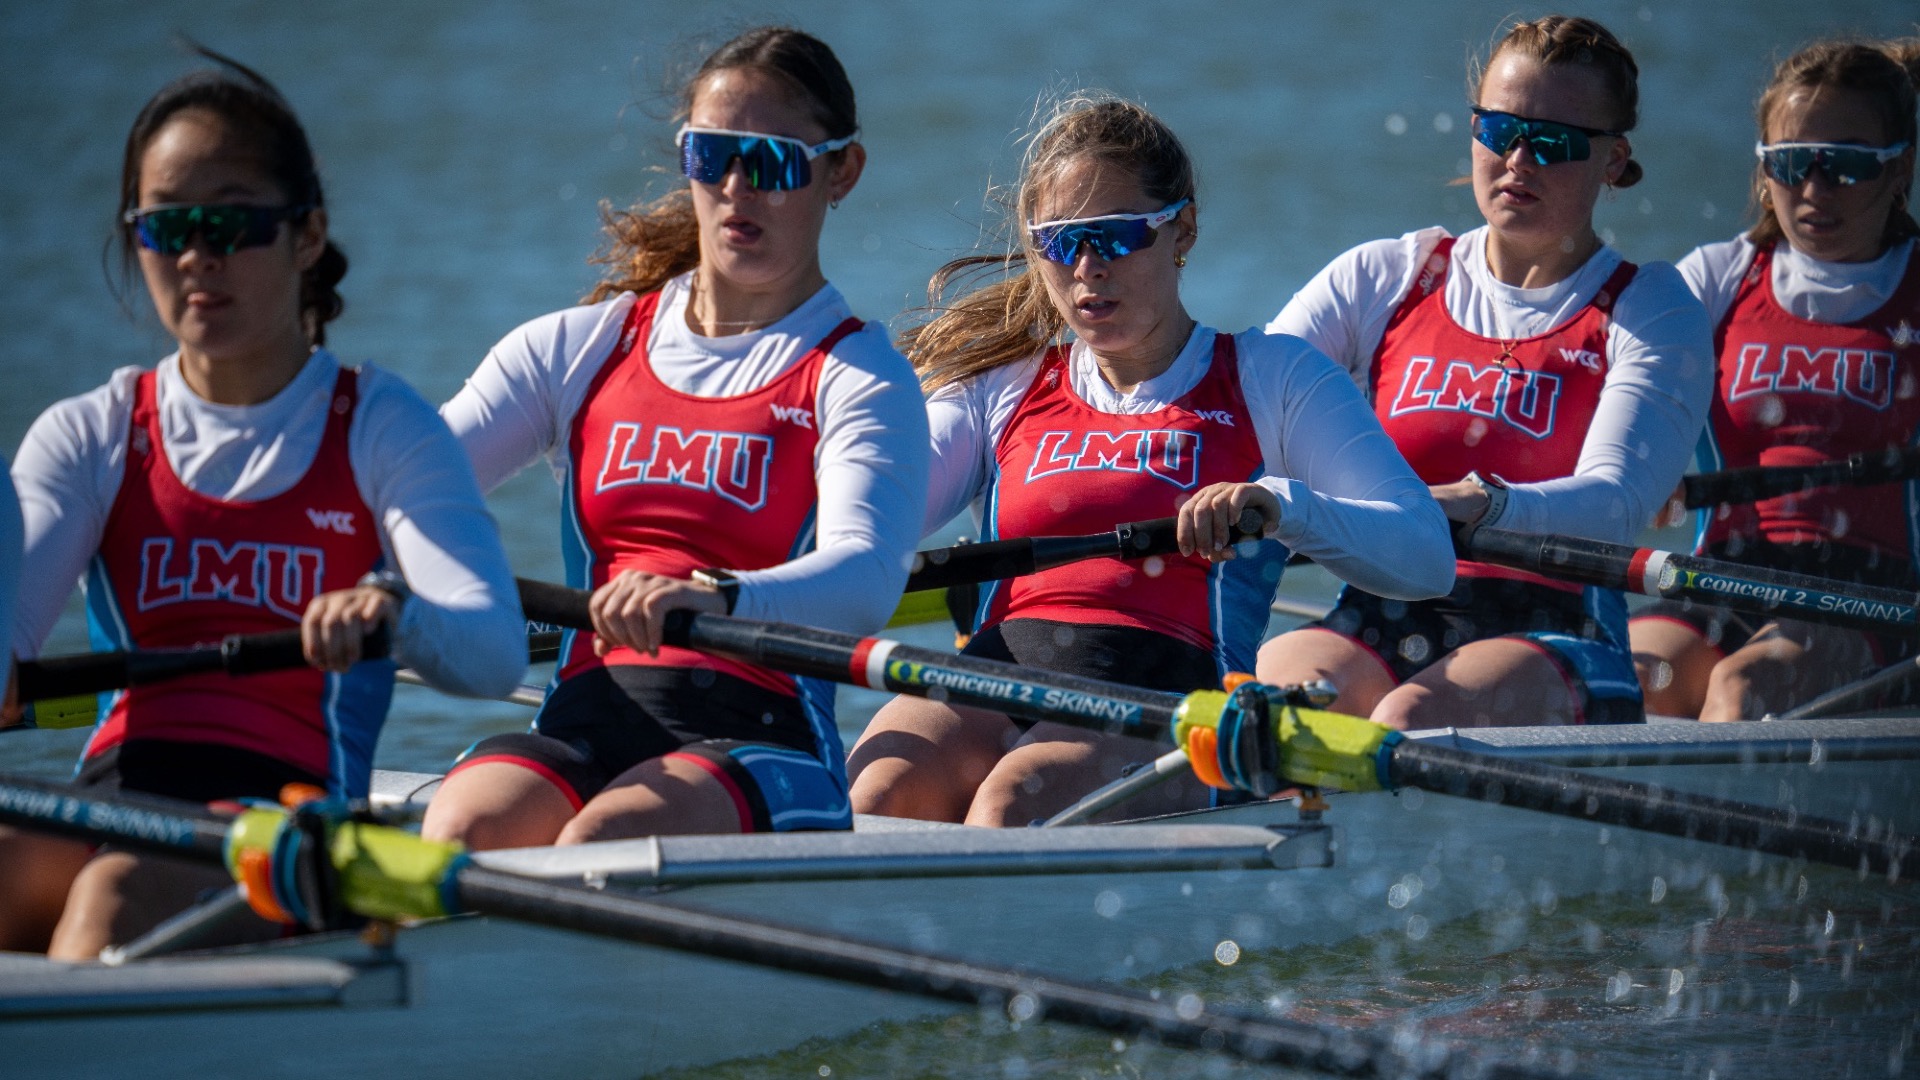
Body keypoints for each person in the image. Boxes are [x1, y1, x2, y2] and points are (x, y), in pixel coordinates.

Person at [0, 51, 526, 959]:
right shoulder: (89, 435)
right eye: (170, 228)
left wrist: (395, 612)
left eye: (233, 223)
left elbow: (490, 651)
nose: (201, 255)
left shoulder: (381, 428)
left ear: (307, 235)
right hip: (114, 788)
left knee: (111, 901)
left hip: (286, 821)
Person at [846, 95, 1454, 827]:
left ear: (1183, 231)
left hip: (1171, 703)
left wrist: (1283, 507)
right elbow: (878, 514)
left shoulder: (1273, 377)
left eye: (1116, 237)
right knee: (874, 798)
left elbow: (1425, 555)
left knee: (1013, 805)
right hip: (996, 670)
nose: (1088, 269)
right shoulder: (1002, 384)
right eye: (1062, 243)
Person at [420, 27, 927, 849]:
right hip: (587, 714)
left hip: (761, 740)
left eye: (770, 161)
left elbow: (866, 579)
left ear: (843, 171)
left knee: (604, 841)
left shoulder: (858, 376)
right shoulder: (575, 349)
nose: (736, 188)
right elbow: (406, 491)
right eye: (710, 156)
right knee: (463, 828)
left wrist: (717, 595)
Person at [1256, 16, 1714, 731]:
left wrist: (1485, 504)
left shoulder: (1649, 309)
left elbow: (1617, 504)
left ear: (1615, 161)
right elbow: (1250, 404)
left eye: (1554, 143)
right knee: (1264, 713)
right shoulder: (1387, 277)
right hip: (1381, 604)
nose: (1519, 159)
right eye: (1499, 132)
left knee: (1411, 718)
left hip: (1561, 628)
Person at [1630, 39, 1920, 722]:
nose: (1816, 190)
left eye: (1846, 165)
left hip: (1875, 598)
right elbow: (1623, 402)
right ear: (1764, 172)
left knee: (1744, 689)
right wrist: (1642, 468)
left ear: (1899, 167)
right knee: (1634, 679)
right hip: (1721, 573)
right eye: (1792, 164)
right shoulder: (1716, 280)